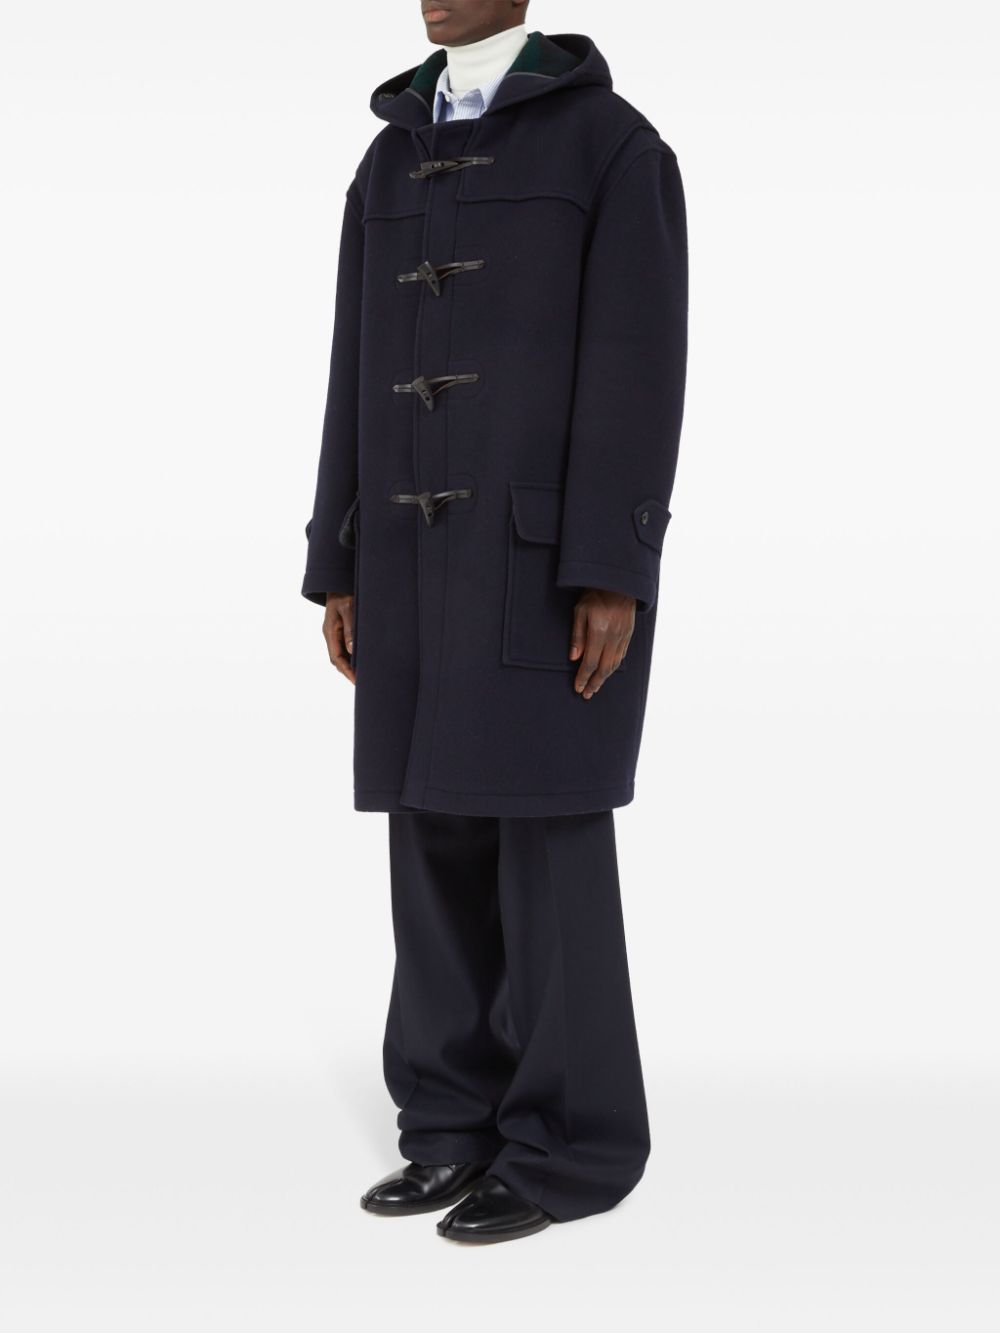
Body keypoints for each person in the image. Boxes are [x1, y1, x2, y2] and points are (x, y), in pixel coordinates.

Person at [301, 0, 687, 1244]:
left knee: (544, 840)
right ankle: (449, 1125)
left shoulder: (613, 147)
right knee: (431, 837)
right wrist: (338, 552)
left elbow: (638, 361)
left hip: (539, 560)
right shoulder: (389, 157)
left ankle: (570, 1146)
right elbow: (354, 363)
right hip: (408, 554)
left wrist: (611, 566)